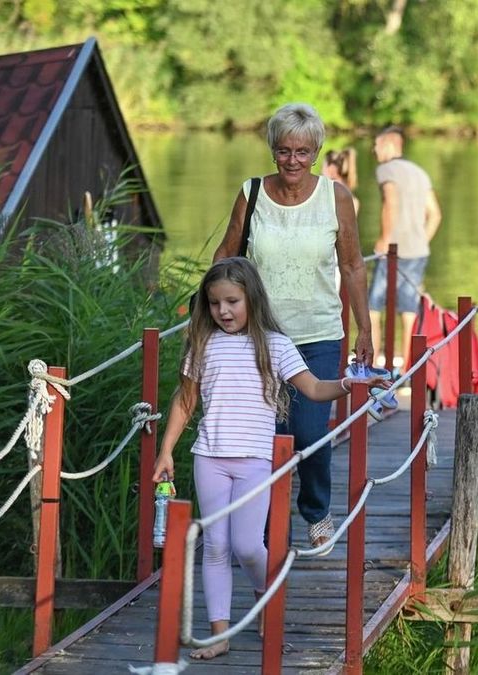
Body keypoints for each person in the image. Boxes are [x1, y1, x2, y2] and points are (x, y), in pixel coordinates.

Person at [151, 257, 388, 661]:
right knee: (216, 545)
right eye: (214, 304)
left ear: (251, 300)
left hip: (256, 462)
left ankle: (268, 596)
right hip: (209, 457)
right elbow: (186, 399)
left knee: (247, 544)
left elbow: (313, 388)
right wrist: (166, 450)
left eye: (232, 302)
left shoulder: (275, 345)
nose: (223, 311)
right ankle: (219, 634)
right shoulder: (202, 344)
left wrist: (350, 383)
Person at [213, 103, 373, 550]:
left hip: (318, 333)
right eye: (284, 151)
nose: (293, 161)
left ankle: (316, 509)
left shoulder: (335, 197)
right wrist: (214, 314)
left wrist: (365, 329)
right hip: (258, 335)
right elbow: (226, 255)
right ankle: (266, 525)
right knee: (267, 433)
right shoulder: (252, 194)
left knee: (307, 430)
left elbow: (354, 264)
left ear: (317, 151)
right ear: (273, 150)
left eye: (303, 152)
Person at [368, 126, 442, 368]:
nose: (373, 150)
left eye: (377, 145)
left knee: (372, 308)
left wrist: (384, 239)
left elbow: (390, 202)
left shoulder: (386, 170)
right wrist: (422, 240)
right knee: (409, 311)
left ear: (389, 145)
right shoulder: (420, 173)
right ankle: (408, 369)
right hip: (418, 251)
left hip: (392, 252)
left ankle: (372, 365)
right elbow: (435, 214)